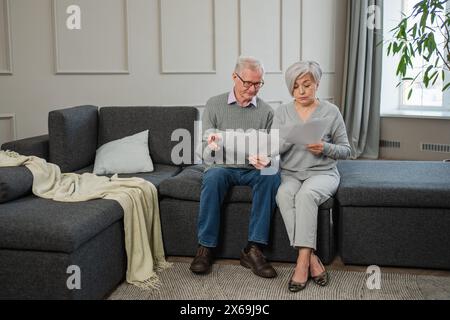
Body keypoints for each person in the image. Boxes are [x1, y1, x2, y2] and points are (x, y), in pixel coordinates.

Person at [190, 56, 281, 278]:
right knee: (212, 177)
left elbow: (273, 150)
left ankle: (253, 249)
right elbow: (202, 150)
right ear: (234, 77)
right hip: (222, 166)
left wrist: (267, 159)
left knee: (271, 174)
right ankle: (206, 247)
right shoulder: (214, 104)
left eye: (257, 84)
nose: (252, 89)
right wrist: (211, 146)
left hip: (252, 169)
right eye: (247, 83)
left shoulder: (267, 112)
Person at [273, 61, 351, 292]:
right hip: (291, 173)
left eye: (306, 85)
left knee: (306, 196)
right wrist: (284, 142)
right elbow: (272, 148)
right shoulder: (282, 112)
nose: (301, 91)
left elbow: (346, 150)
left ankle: (301, 264)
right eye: (295, 86)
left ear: (317, 83)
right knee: (284, 195)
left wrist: (325, 147)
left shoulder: (331, 111)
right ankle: (312, 259)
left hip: (323, 173)